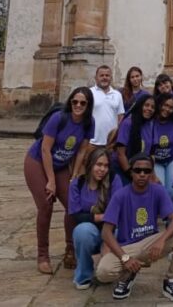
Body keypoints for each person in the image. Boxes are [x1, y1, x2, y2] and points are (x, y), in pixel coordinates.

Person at [96, 154, 173, 302]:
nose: (142, 174)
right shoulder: (120, 195)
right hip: (128, 247)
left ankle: (172, 280)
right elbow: (106, 232)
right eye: (138, 170)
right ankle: (127, 275)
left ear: (151, 172)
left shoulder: (158, 191)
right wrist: (125, 258)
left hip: (150, 244)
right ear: (131, 172)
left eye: (147, 171)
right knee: (103, 272)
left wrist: (161, 240)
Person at [24, 86, 95, 273]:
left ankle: (70, 250)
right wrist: (51, 181)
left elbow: (81, 150)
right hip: (37, 162)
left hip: (62, 165)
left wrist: (74, 174)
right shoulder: (59, 118)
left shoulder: (89, 122)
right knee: (46, 205)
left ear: (88, 106)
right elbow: (45, 149)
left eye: (83, 103)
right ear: (70, 102)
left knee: (73, 204)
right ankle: (42, 255)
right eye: (75, 101)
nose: (78, 105)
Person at [69, 146, 124, 289]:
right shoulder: (77, 183)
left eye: (106, 166)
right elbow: (76, 216)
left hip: (112, 229)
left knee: (121, 232)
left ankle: (114, 270)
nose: (102, 169)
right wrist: (100, 217)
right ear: (90, 164)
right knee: (82, 231)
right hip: (91, 229)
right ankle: (83, 275)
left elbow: (118, 210)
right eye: (98, 165)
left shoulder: (114, 180)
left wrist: (107, 238)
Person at [149, 93, 173, 203]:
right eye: (165, 105)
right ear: (159, 104)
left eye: (171, 107)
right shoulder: (150, 122)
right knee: (159, 188)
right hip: (156, 161)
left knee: (172, 190)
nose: (167, 109)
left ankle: (171, 215)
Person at [115, 94, 156, 180]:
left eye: (153, 107)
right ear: (140, 105)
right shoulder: (128, 123)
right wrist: (131, 175)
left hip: (142, 171)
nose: (150, 109)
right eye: (146, 105)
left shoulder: (150, 125)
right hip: (125, 170)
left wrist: (152, 173)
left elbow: (151, 153)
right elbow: (120, 154)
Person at [90, 65, 125, 147]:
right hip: (92, 142)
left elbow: (120, 117)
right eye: (101, 75)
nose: (104, 78)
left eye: (107, 75)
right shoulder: (89, 93)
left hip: (111, 142)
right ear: (96, 78)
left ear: (111, 78)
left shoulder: (117, 95)